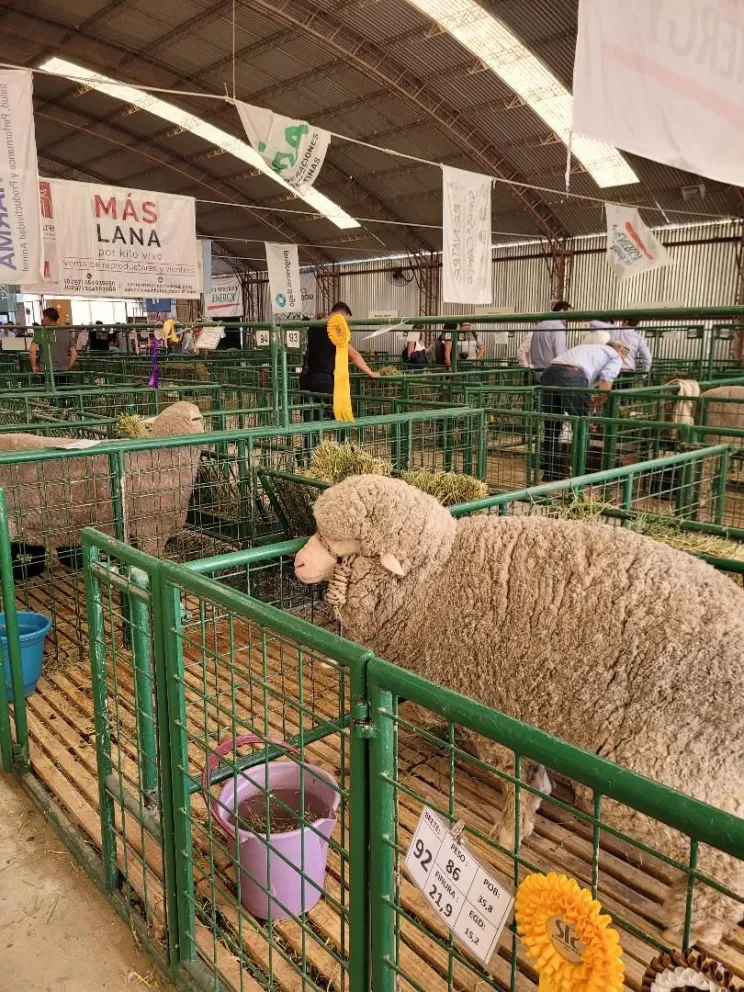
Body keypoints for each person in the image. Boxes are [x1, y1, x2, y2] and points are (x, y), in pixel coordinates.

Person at [539, 338, 629, 481]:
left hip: (549, 373)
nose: (625, 356)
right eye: (625, 352)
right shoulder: (614, 356)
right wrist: (602, 398)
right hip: (572, 376)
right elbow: (606, 379)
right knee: (582, 424)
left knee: (552, 425)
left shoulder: (590, 348)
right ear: (619, 349)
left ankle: (550, 472)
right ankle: (581, 474)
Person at [299, 302, 379, 421]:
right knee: (336, 416)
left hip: (306, 379)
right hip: (324, 382)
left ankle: (312, 439)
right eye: (346, 320)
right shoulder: (335, 330)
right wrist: (371, 372)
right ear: (342, 315)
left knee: (310, 418)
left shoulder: (314, 327)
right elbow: (354, 355)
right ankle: (335, 439)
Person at [589, 318, 652, 385]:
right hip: (628, 372)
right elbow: (648, 358)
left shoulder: (615, 329)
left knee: (610, 392)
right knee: (625, 393)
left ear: (626, 321)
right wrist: (644, 375)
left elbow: (593, 323)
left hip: (612, 368)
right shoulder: (639, 338)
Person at [29, 307, 77, 387]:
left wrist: (34, 366)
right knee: (64, 395)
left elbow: (32, 351)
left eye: (43, 317)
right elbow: (74, 354)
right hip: (63, 370)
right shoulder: (66, 333)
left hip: (46, 370)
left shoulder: (40, 332)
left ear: (47, 318)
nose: (43, 319)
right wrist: (67, 367)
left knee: (48, 395)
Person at [530, 301, 571, 381]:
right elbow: (560, 355)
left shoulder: (539, 326)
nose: (568, 319)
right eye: (568, 315)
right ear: (562, 311)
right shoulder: (558, 326)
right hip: (552, 374)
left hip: (537, 372)